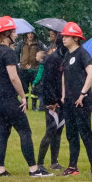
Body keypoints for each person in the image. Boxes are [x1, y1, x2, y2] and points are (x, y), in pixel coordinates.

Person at [0, 16, 51, 177]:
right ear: (7, 33)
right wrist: (23, 96)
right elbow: (14, 77)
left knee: (3, 132)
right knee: (25, 131)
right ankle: (33, 169)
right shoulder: (8, 52)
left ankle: (0, 169)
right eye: (14, 32)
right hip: (8, 98)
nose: (16, 34)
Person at [60, 22, 92, 177]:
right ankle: (72, 167)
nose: (64, 39)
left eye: (67, 36)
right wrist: (64, 94)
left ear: (76, 38)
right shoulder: (67, 55)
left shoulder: (82, 53)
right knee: (71, 133)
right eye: (63, 36)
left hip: (82, 100)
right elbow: (64, 75)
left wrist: (83, 93)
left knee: (85, 132)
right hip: (69, 100)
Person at [38, 31, 65, 171]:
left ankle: (54, 162)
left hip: (61, 101)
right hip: (52, 102)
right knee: (50, 131)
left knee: (58, 131)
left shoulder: (64, 57)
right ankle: (40, 163)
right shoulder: (52, 58)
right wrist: (51, 101)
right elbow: (47, 82)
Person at [19, 32, 42, 107]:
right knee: (24, 88)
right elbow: (16, 53)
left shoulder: (38, 44)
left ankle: (34, 106)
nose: (30, 35)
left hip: (34, 69)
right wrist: (18, 64)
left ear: (34, 35)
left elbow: (43, 53)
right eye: (29, 34)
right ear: (26, 34)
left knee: (34, 88)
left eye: (32, 34)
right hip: (23, 69)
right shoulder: (22, 43)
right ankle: (24, 104)